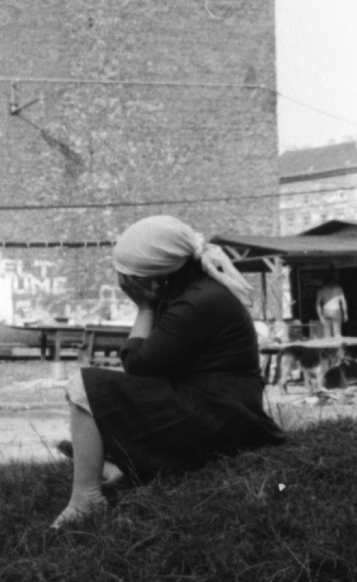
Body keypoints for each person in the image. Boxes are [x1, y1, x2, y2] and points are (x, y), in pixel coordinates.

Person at [52, 215, 286, 528]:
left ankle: (86, 498)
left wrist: (144, 309)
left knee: (82, 384)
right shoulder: (190, 293)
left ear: (148, 276)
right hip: (217, 408)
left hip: (222, 415)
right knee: (91, 407)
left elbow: (138, 366)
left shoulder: (198, 302)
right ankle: (118, 465)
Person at [316, 272, 348, 358]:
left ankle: (328, 355)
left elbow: (318, 305)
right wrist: (345, 313)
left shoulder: (321, 290)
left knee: (327, 335)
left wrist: (320, 317)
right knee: (337, 334)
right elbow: (343, 302)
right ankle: (339, 355)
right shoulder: (338, 289)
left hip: (326, 311)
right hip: (336, 311)